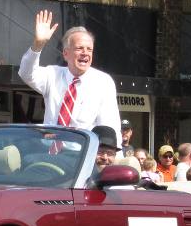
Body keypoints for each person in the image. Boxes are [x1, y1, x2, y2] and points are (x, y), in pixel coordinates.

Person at [18, 10, 121, 143]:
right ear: (66, 53)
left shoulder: (103, 82)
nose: (85, 53)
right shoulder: (53, 75)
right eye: (79, 48)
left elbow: (110, 126)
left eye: (89, 49)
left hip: (82, 156)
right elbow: (26, 73)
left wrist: (116, 159)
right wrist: (38, 43)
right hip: (49, 152)